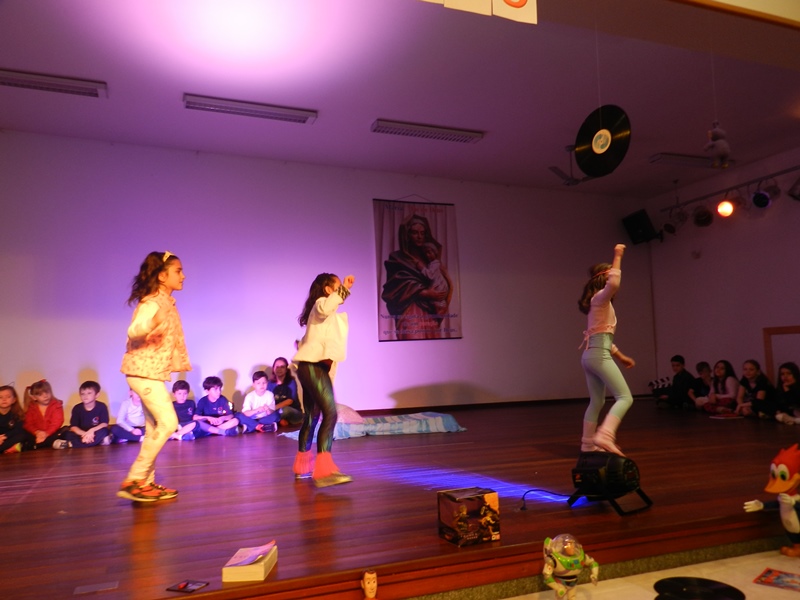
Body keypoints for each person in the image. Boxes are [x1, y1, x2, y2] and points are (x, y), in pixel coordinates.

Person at [118, 250, 190, 502]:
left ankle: (146, 483)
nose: (183, 276)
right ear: (162, 276)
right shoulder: (152, 303)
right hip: (142, 372)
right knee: (169, 423)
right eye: (178, 271)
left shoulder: (166, 302)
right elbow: (134, 329)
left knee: (153, 429)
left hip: (150, 372)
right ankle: (135, 479)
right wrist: (152, 323)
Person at [292, 272, 355, 487]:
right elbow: (326, 307)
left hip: (311, 368)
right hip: (313, 368)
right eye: (336, 287)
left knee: (312, 417)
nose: (340, 291)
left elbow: (316, 340)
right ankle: (324, 472)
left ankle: (302, 467)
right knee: (330, 413)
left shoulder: (326, 316)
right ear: (328, 290)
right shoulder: (321, 304)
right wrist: (345, 288)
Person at [578, 244, 635, 456]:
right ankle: (605, 435)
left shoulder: (599, 304)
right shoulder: (600, 299)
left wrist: (620, 356)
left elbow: (602, 337)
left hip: (591, 355)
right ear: (605, 278)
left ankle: (587, 444)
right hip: (598, 356)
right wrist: (618, 255)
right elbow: (614, 282)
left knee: (597, 401)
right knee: (625, 397)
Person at [381, 214, 451, 340]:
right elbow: (394, 287)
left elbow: (444, 280)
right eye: (414, 233)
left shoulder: (430, 259)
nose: (419, 237)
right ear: (407, 235)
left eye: (422, 233)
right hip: (409, 310)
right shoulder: (397, 258)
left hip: (430, 312)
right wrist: (425, 293)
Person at [58, 380, 110, 448]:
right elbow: (74, 426)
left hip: (95, 432)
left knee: (104, 431)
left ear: (97, 395)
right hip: (81, 433)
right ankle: (96, 442)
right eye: (82, 394)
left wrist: (91, 431)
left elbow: (104, 423)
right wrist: (85, 434)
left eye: (89, 393)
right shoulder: (77, 408)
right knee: (66, 434)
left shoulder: (101, 406)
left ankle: (72, 444)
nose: (85, 396)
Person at [23, 379, 65, 449]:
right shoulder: (31, 407)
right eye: (40, 394)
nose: (45, 396)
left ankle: (38, 445)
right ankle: (46, 444)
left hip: (51, 432)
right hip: (36, 434)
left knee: (65, 431)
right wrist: (37, 432)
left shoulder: (56, 405)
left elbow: (57, 422)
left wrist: (46, 433)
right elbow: (28, 423)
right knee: (23, 434)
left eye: (47, 392)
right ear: (34, 397)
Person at [268, 357, 303, 426]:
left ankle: (274, 421)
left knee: (284, 410)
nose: (279, 369)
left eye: (282, 367)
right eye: (277, 367)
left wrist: (273, 408)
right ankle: (279, 421)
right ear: (273, 369)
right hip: (276, 411)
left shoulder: (291, 382)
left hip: (292, 412)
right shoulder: (270, 383)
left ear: (286, 369)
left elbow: (290, 401)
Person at [420, 242, 451, 315]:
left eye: (429, 252)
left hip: (439, 287)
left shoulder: (435, 263)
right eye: (426, 253)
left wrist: (421, 268)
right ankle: (440, 308)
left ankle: (440, 309)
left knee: (434, 301)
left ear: (435, 252)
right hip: (438, 287)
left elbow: (430, 275)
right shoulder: (432, 264)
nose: (427, 255)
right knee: (435, 302)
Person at [0, 384, 30, 454]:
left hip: (8, 438)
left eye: (8, 397)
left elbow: (18, 430)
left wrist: (4, 437)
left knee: (23, 435)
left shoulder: (17, 413)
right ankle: (8, 449)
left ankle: (5, 449)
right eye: (0, 397)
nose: (4, 399)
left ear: (14, 399)